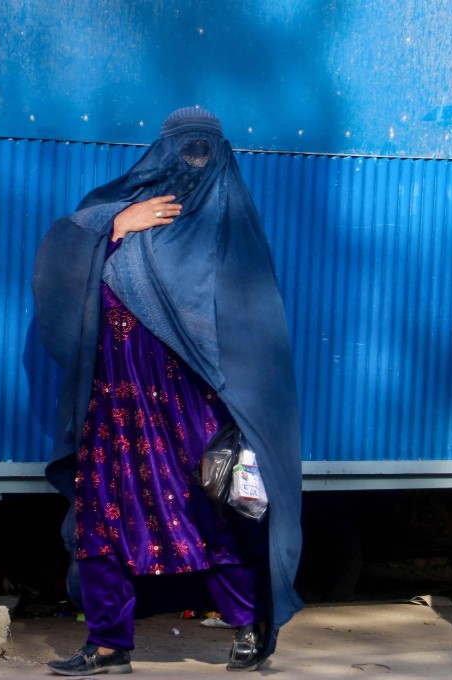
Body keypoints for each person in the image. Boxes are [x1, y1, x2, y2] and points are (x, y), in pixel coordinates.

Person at [32, 106, 303, 675]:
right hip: (114, 405)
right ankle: (108, 644)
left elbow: (252, 338)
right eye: (183, 148)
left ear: (221, 158)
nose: (193, 162)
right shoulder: (121, 214)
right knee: (100, 520)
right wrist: (116, 225)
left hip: (192, 407)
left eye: (204, 151)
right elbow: (63, 257)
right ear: (160, 151)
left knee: (218, 515)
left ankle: (248, 630)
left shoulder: (231, 234)